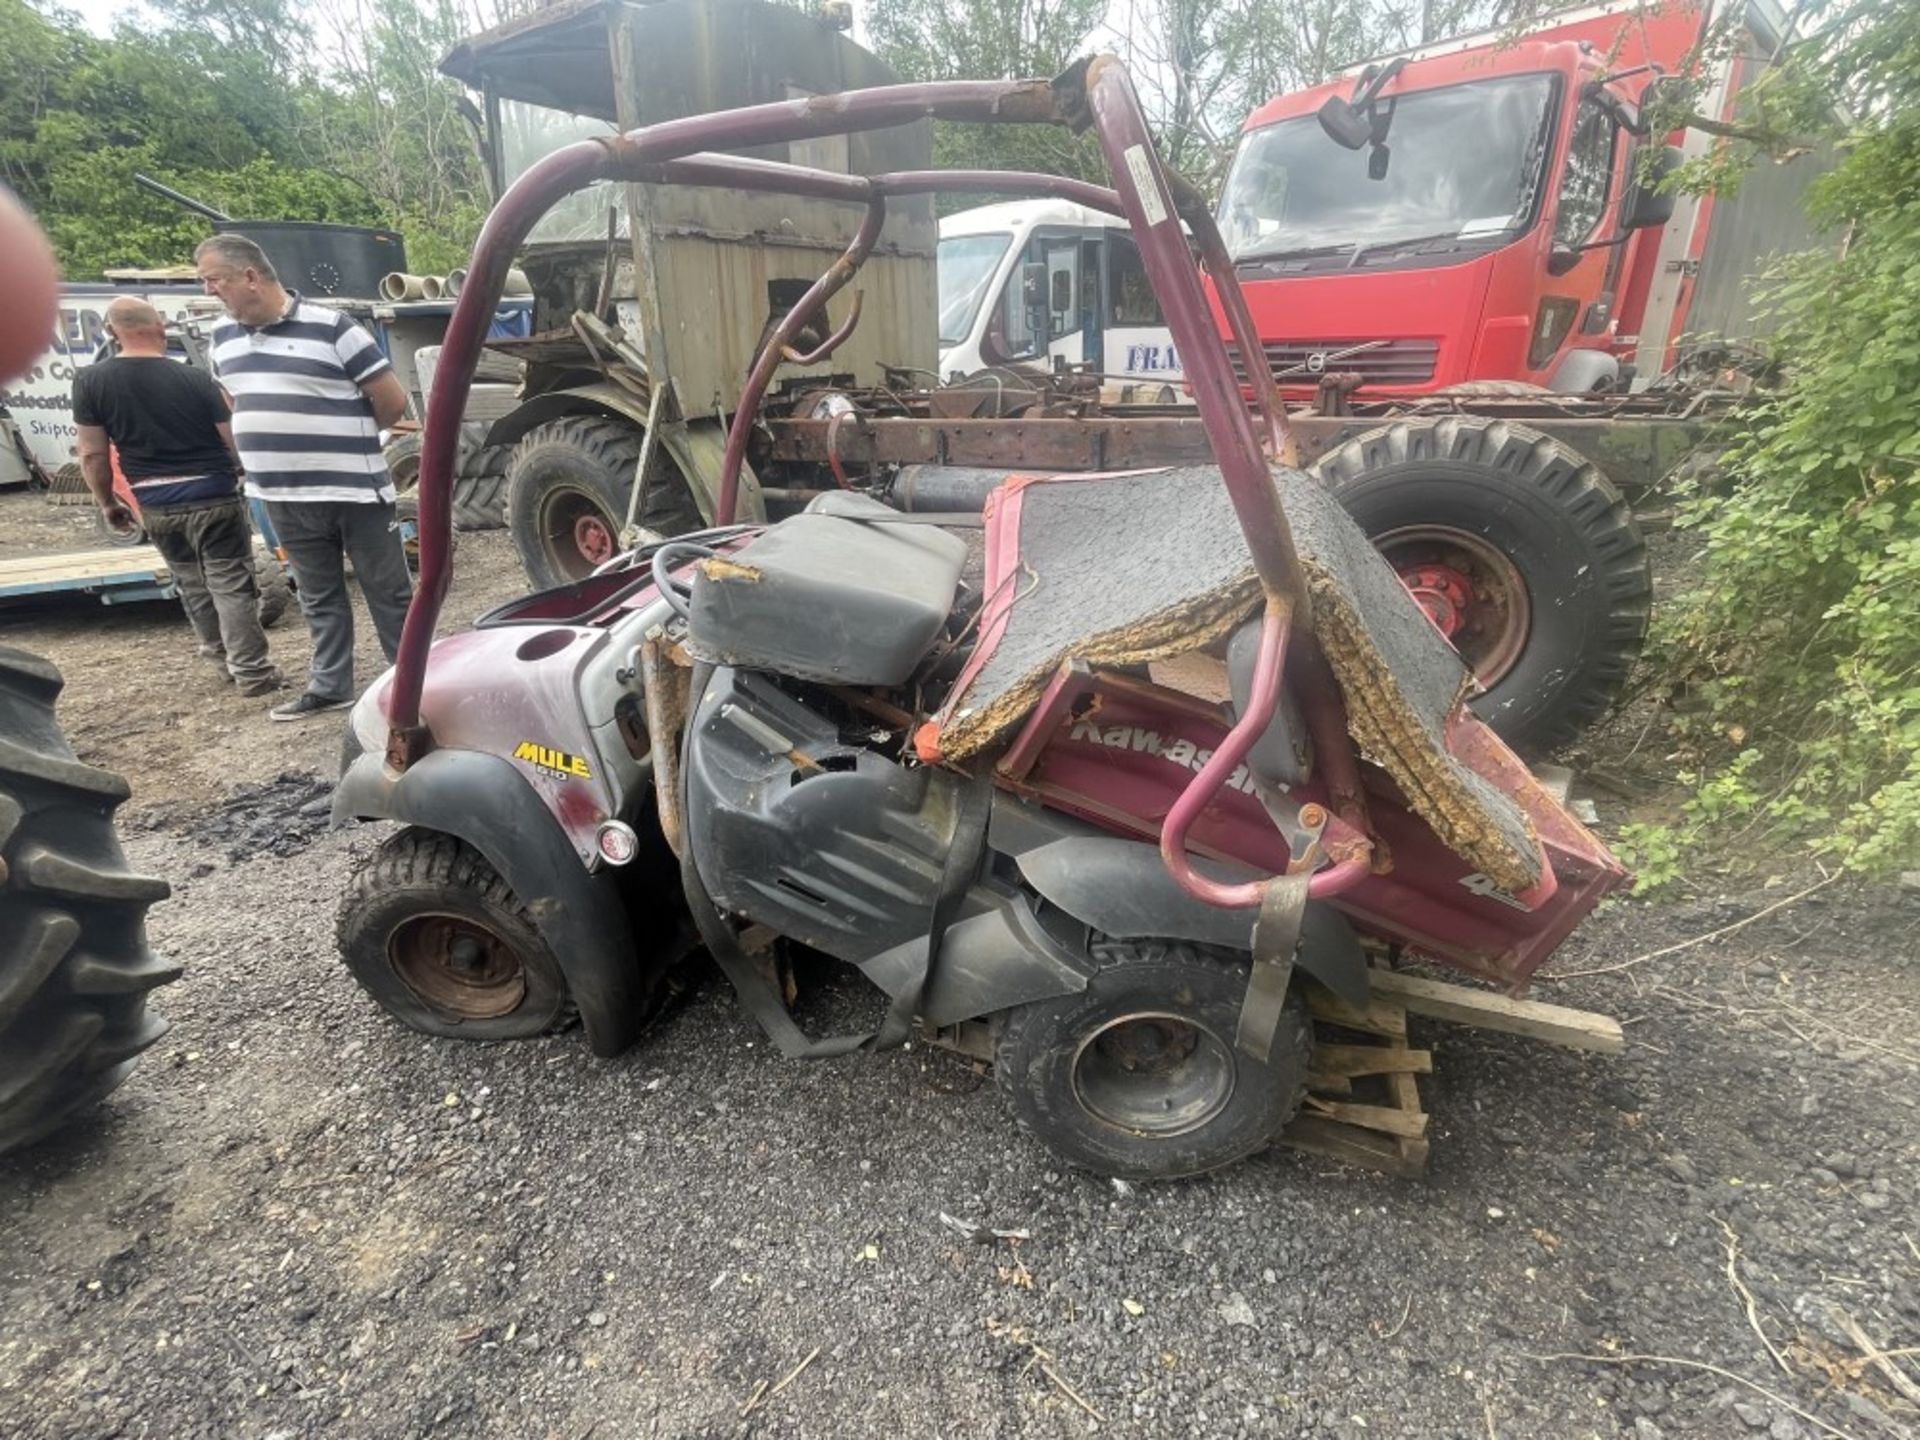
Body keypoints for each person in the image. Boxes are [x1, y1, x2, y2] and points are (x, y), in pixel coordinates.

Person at [195, 233, 414, 722]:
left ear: (250, 275)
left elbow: (392, 401)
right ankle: (331, 684)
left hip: (354, 489)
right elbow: (236, 401)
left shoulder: (334, 328)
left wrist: (343, 439)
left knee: (389, 591)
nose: (210, 291)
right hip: (281, 494)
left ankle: (410, 681)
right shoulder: (222, 339)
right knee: (317, 595)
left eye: (215, 280)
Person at [72, 297, 283, 695]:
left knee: (191, 582)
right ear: (159, 328)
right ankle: (253, 673)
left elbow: (92, 453)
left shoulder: (91, 382)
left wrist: (107, 502)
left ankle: (221, 662)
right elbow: (233, 438)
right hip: (214, 494)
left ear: (113, 332)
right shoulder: (196, 379)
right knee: (230, 583)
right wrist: (247, 473)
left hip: (155, 502)